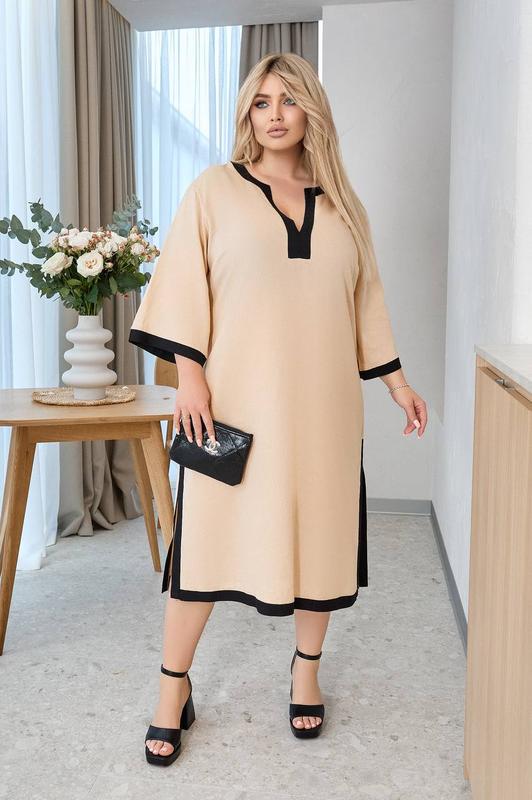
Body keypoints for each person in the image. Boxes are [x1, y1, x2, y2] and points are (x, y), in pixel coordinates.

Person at [129, 52, 427, 765]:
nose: (274, 115)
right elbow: (185, 284)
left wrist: (397, 383)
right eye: (261, 102)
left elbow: (366, 302)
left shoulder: (344, 207)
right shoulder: (214, 189)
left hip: (325, 410)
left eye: (288, 100)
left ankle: (306, 673)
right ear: (247, 114)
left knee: (322, 539)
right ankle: (172, 688)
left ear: (310, 111)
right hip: (231, 407)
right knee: (202, 549)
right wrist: (189, 376)